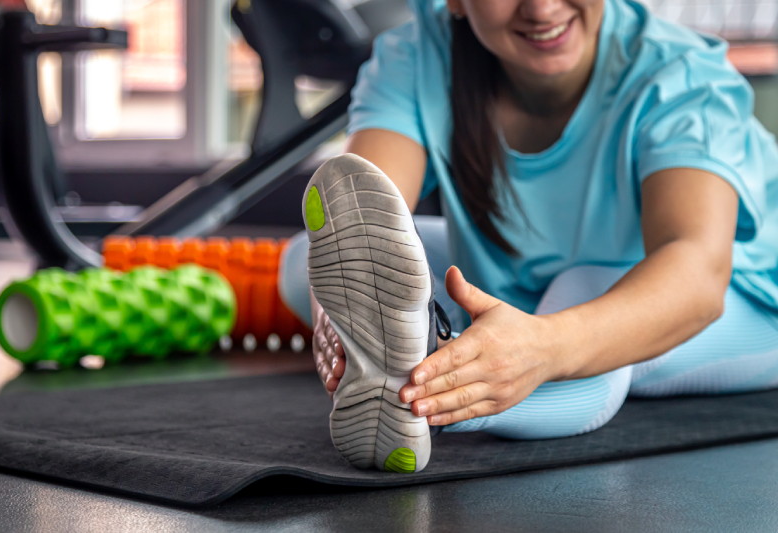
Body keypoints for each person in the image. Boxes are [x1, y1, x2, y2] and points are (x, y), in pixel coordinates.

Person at [279, 0, 778, 468]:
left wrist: (542, 347)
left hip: (745, 297)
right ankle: (431, 362)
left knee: (581, 289)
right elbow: (361, 216)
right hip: (533, 279)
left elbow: (697, 270)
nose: (542, 8)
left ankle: (429, 405)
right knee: (303, 260)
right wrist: (337, 322)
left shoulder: (680, 74)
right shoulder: (417, 54)